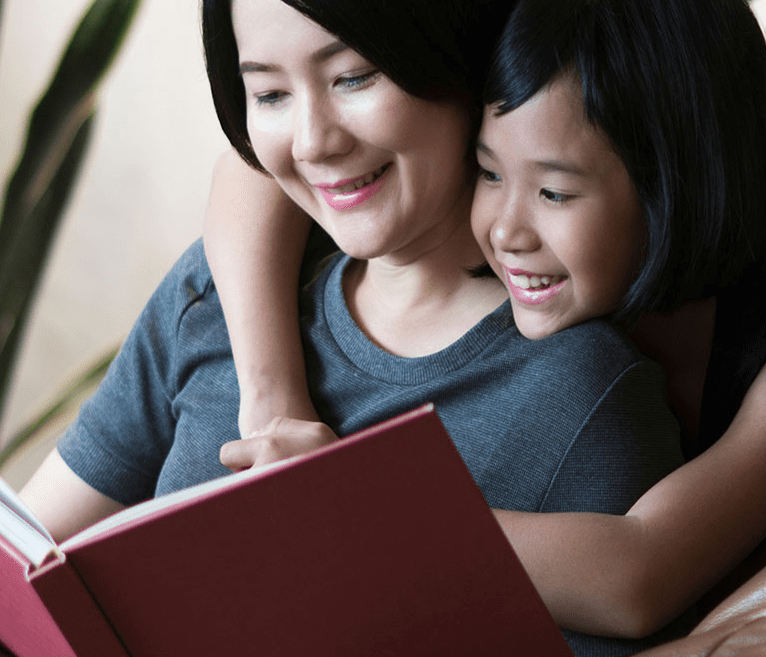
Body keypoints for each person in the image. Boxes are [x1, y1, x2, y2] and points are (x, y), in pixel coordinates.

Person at [197, 0, 766, 643]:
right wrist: (272, 404)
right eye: (484, 171)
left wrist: (350, 507)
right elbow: (260, 169)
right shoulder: (547, 244)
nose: (504, 227)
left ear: (670, 182)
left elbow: (637, 574)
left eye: (553, 190)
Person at [20, 1, 686, 655]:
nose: (314, 141)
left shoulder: (579, 397)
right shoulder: (218, 291)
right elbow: (25, 569)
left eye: (354, 77)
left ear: (457, 55)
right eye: (270, 93)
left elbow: (636, 580)